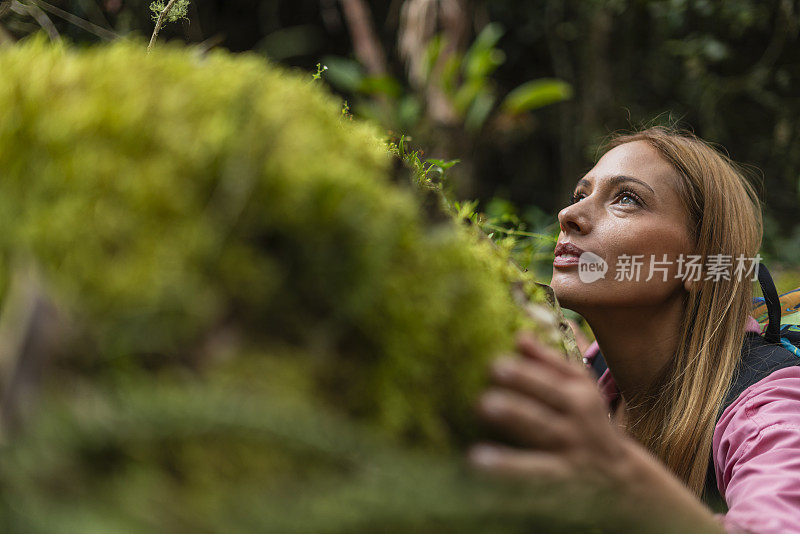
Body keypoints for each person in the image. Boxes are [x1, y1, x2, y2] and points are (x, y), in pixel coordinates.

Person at [467, 126, 800, 533]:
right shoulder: (593, 369)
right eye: (580, 195)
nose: (568, 215)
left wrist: (624, 479)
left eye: (626, 199)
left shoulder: (771, 409)